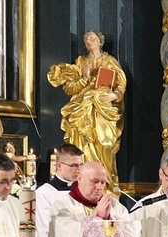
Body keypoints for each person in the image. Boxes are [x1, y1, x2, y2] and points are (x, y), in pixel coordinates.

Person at [47, 30, 126, 191]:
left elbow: (121, 83)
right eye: (86, 39)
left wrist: (115, 94)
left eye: (92, 38)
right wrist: (84, 77)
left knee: (104, 144)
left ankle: (106, 183)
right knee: (82, 145)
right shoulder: (80, 62)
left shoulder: (109, 61)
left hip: (102, 109)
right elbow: (70, 89)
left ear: (100, 41)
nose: (89, 41)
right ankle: (83, 184)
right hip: (82, 110)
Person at [50, 161, 139, 237]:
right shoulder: (63, 205)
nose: (99, 187)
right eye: (94, 181)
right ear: (79, 179)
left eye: (102, 182)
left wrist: (108, 218)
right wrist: (97, 217)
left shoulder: (114, 205)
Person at [35, 143, 84, 237]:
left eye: (80, 165)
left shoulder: (84, 191)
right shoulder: (44, 193)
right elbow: (43, 229)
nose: (78, 170)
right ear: (59, 166)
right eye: (74, 165)